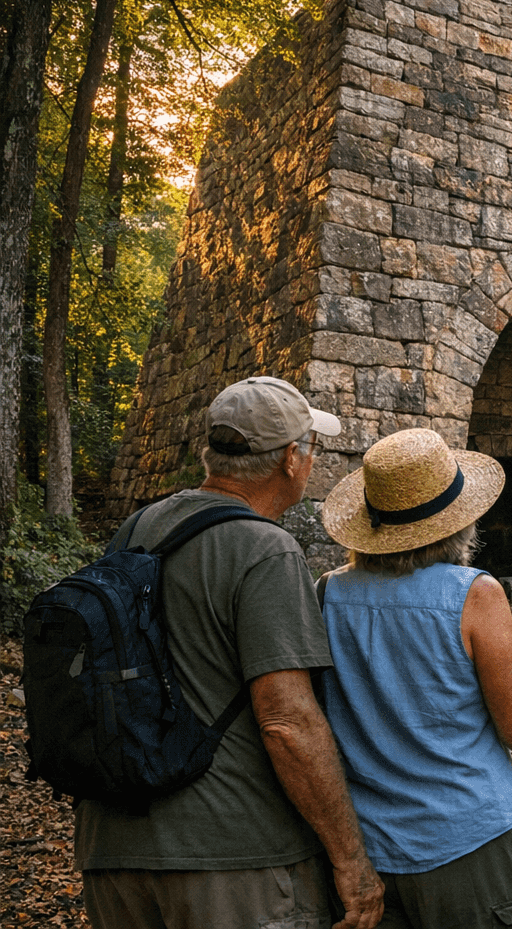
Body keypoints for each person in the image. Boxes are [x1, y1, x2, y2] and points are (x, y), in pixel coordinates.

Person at [76, 376, 385, 929]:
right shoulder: (265, 550)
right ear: (291, 458)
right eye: (312, 448)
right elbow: (286, 722)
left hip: (113, 851)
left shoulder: (136, 529)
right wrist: (350, 860)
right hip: (232, 862)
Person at [317, 427, 512, 929]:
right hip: (470, 843)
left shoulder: (327, 593)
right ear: (459, 521)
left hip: (371, 847)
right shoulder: (474, 594)